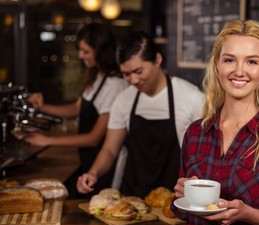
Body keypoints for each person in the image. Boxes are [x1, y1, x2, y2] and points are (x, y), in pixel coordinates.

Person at [173, 20, 259, 225]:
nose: (239, 71)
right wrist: (181, 194)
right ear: (217, 64)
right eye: (229, 60)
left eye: (251, 61)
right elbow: (182, 212)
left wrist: (247, 214)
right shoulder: (196, 132)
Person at [76, 31, 204, 199]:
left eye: (138, 71)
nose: (134, 80)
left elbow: (204, 156)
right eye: (126, 74)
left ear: (157, 60)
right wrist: (93, 173)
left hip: (176, 199)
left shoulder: (192, 98)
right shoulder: (124, 100)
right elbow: (109, 149)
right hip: (132, 196)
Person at [25, 22, 129, 198]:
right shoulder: (97, 76)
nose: (80, 55)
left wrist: (48, 140)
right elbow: (76, 108)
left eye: (86, 51)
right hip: (87, 161)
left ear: (101, 51)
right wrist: (42, 107)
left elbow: (94, 139)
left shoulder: (115, 85)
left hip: (103, 166)